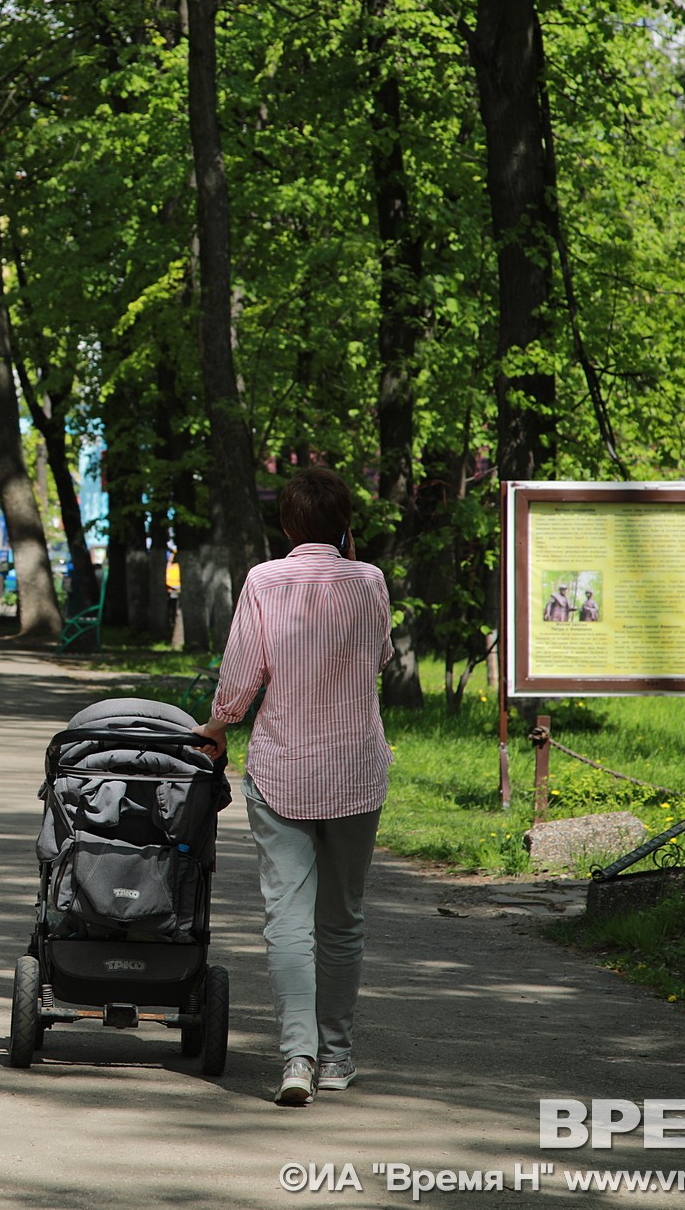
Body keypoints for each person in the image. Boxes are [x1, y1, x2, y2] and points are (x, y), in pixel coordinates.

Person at [192, 467, 390, 1108]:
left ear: (286, 524)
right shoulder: (370, 582)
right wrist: (353, 564)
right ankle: (336, 1058)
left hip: (282, 770)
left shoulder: (265, 580)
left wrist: (218, 726)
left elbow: (246, 671)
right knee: (344, 920)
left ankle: (296, 1061)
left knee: (287, 920)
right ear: (345, 525)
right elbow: (380, 654)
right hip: (357, 771)